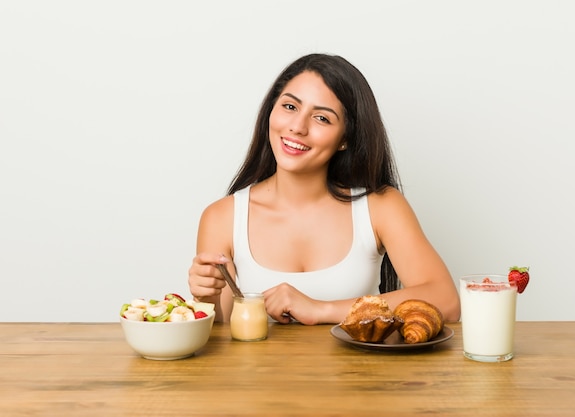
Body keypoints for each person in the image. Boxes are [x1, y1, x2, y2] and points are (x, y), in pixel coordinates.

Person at [188, 53, 460, 325]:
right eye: (290, 107)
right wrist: (207, 297)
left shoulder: (381, 206)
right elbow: (222, 332)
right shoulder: (221, 217)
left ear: (345, 139)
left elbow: (446, 301)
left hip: (360, 370)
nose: (297, 127)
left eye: (322, 118)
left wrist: (320, 310)